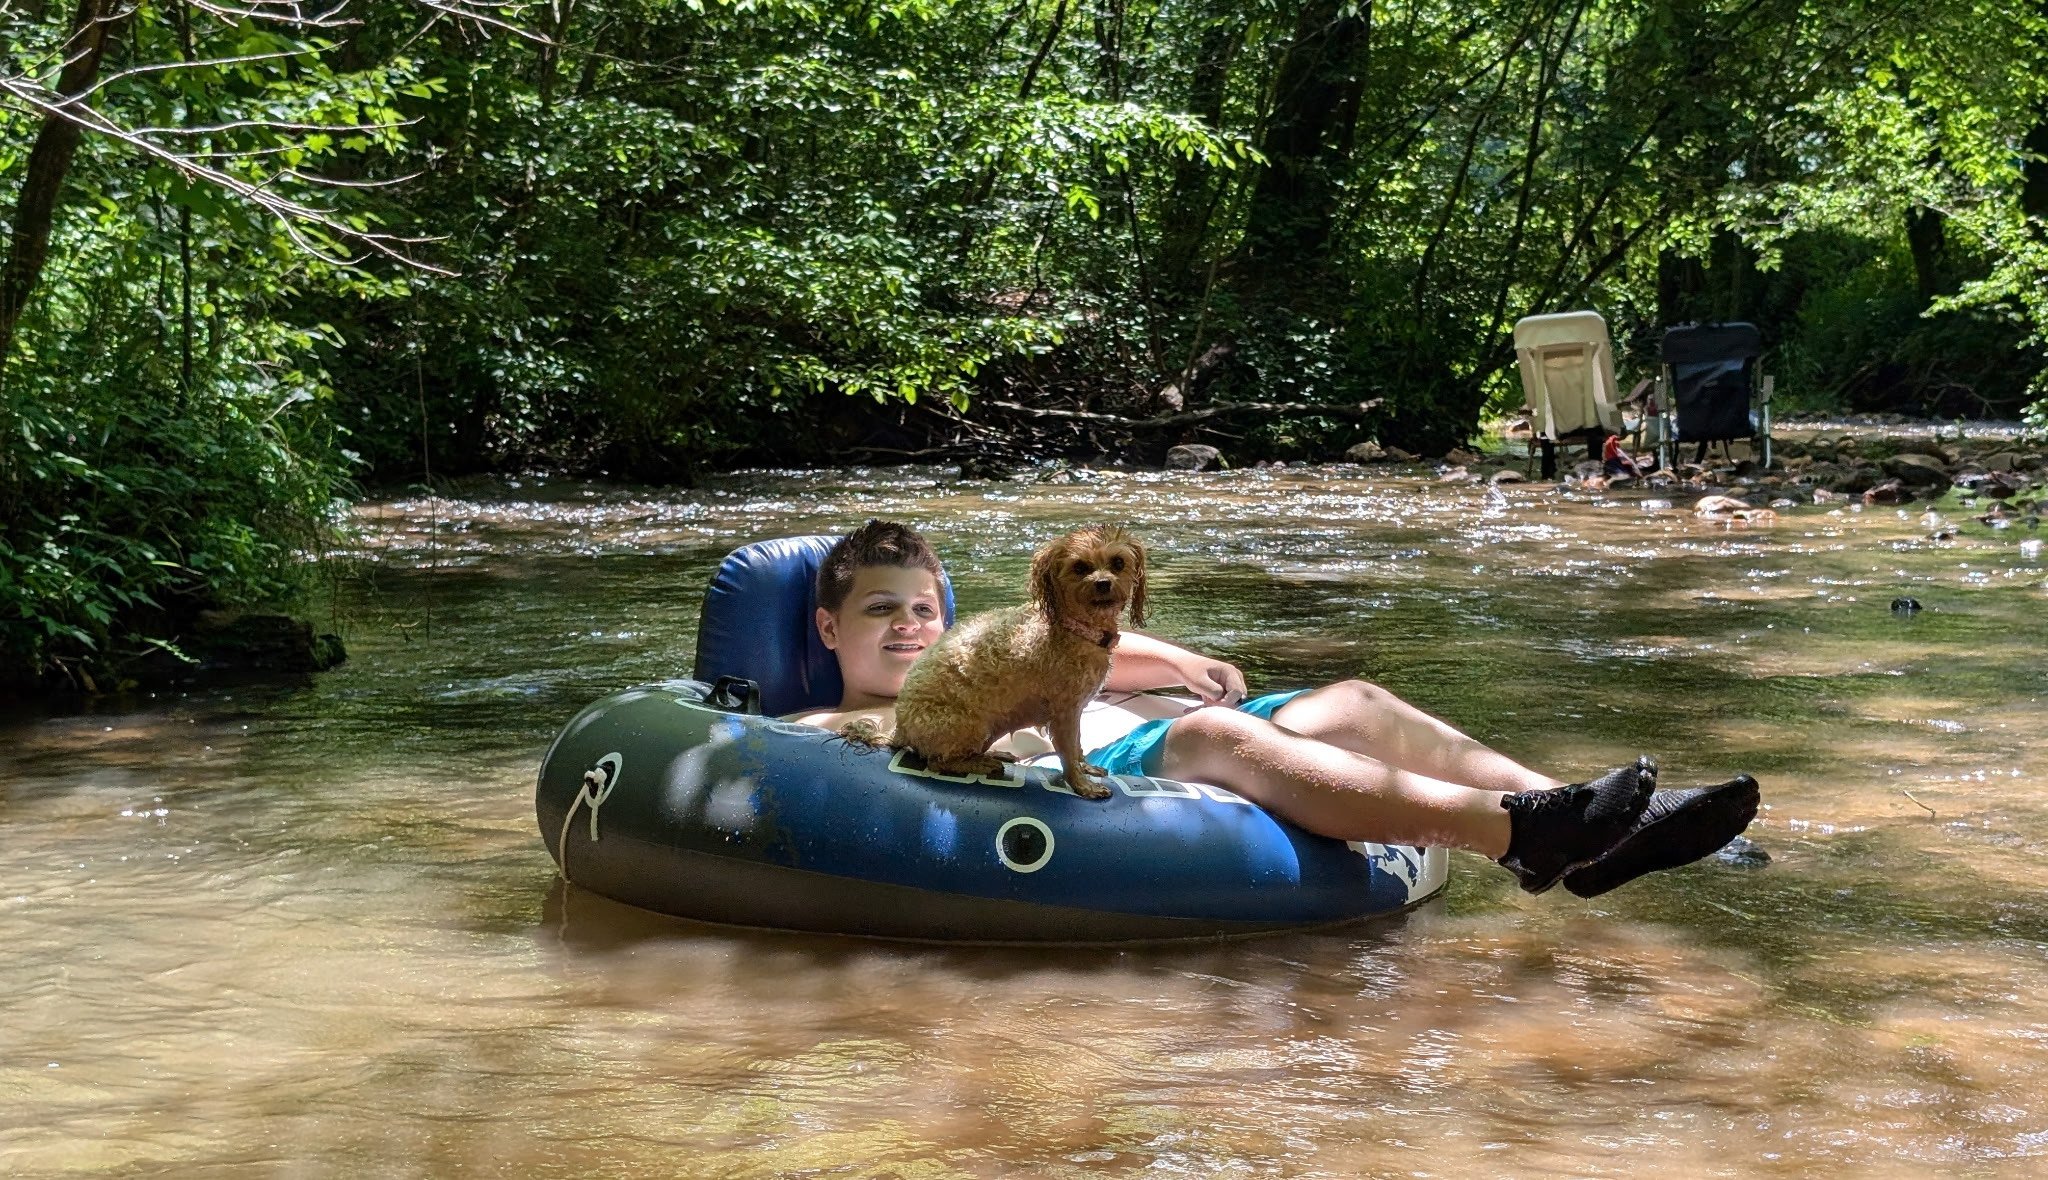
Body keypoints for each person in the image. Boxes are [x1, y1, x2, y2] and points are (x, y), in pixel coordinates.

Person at [789, 520, 1759, 898]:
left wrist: (1188, 657)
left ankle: (1603, 827)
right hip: (1126, 770)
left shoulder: (1005, 653)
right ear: (829, 632)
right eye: (882, 613)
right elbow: (828, 758)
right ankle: (1520, 836)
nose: (912, 629)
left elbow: (1101, 652)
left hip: (1153, 730)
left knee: (1356, 700)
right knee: (1215, 733)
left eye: (925, 609)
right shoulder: (825, 719)